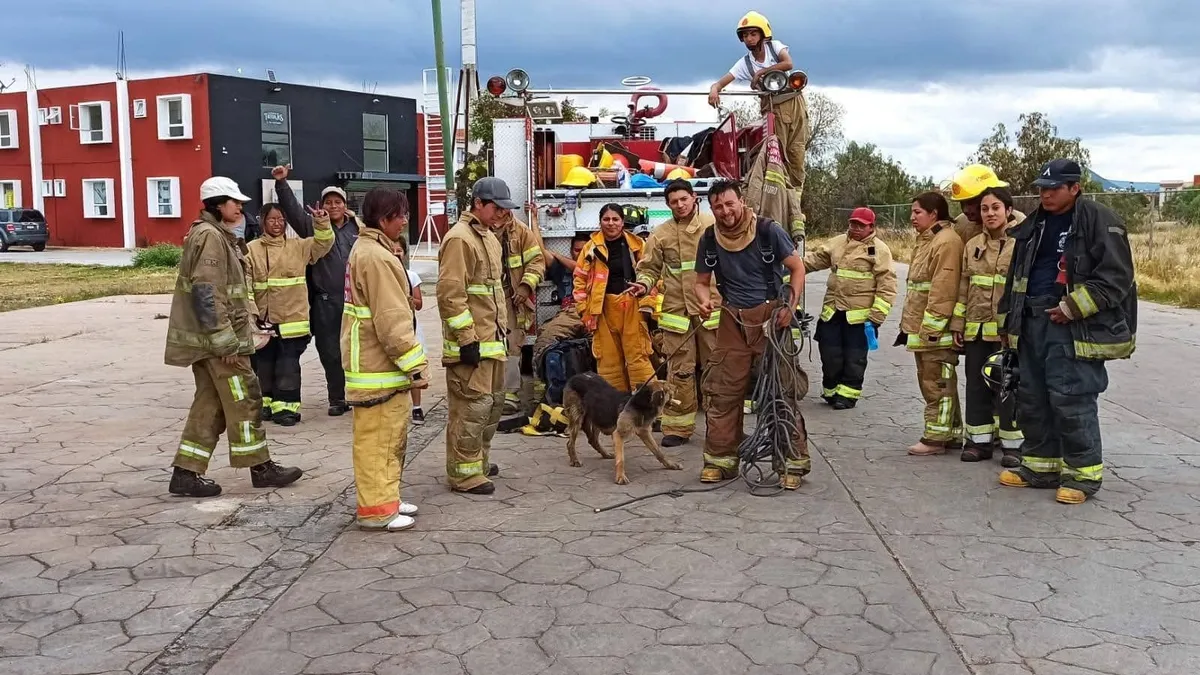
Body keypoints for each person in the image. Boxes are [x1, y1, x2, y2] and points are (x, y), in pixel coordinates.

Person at [998, 159, 1137, 504]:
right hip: (1032, 322)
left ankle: (1082, 475)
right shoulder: (1035, 225)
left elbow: (1116, 278)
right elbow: (1015, 278)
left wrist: (1071, 307)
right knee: (1032, 397)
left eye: (1053, 188)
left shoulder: (1099, 220)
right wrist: (1008, 324)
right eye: (1041, 188)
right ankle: (1039, 467)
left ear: (1075, 188)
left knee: (1071, 399)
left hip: (1073, 327)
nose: (1045, 194)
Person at [164, 176, 303, 498]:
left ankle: (186, 473)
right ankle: (261, 467)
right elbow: (207, 293)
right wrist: (225, 340)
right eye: (234, 201)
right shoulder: (211, 237)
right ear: (217, 204)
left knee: (210, 406)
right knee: (245, 398)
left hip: (214, 342)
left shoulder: (215, 235)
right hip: (220, 344)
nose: (240, 206)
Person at [693, 179, 810, 489]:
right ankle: (720, 460)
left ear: (741, 201)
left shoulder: (769, 231)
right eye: (718, 206)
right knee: (723, 392)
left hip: (772, 318)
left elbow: (797, 269)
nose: (724, 211)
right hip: (732, 319)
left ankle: (791, 463)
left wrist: (790, 307)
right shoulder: (709, 237)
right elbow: (701, 281)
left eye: (729, 204)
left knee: (779, 392)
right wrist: (704, 300)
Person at [341, 187, 429, 531]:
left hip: (377, 367)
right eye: (401, 215)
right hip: (378, 368)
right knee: (378, 443)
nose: (405, 221)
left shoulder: (371, 250)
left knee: (390, 439)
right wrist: (416, 366)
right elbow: (392, 320)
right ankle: (377, 510)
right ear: (383, 219)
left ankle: (387, 498)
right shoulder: (376, 257)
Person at [437, 177, 514, 495]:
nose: (501, 215)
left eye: (504, 210)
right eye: (496, 208)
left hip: (491, 344)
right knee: (471, 410)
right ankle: (463, 474)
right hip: (472, 346)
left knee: (491, 407)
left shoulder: (488, 237)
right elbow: (450, 295)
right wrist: (467, 339)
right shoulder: (460, 239)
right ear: (478, 204)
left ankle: (477, 463)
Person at [628, 179, 719, 447]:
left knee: (717, 369)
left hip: (710, 309)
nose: (679, 205)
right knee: (679, 371)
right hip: (676, 314)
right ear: (667, 205)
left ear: (693, 198)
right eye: (673, 202)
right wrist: (643, 284)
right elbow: (649, 268)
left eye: (683, 199)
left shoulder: (712, 226)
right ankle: (677, 428)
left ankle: (722, 427)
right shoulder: (661, 234)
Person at [271, 164, 363, 417]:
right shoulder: (314, 228)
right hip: (325, 302)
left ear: (345, 205)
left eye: (337, 202)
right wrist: (281, 184)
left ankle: (357, 394)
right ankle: (337, 398)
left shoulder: (359, 229)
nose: (333, 206)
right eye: (328, 202)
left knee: (356, 350)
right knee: (330, 351)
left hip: (355, 300)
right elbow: (293, 211)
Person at [951, 187, 1023, 465]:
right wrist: (958, 323)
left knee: (1009, 385)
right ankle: (978, 442)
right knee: (977, 385)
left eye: (995, 208)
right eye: (984, 209)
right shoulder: (972, 245)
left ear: (1008, 210)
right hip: (976, 328)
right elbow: (963, 286)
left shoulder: (1022, 243)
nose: (989, 213)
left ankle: (1013, 446)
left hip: (1007, 331)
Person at [246, 202, 335, 426]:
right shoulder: (251, 250)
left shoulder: (299, 246)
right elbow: (245, 284)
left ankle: (286, 409)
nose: (277, 223)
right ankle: (265, 405)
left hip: (292, 321)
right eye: (272, 219)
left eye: (280, 219)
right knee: (264, 365)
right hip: (263, 321)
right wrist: (252, 315)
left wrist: (322, 221)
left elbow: (324, 243)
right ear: (262, 222)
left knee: (287, 365)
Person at [803, 207, 897, 409]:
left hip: (859, 319)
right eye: (852, 223)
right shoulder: (837, 243)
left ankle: (847, 396)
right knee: (829, 353)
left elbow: (887, 285)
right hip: (833, 312)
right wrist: (790, 266)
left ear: (871, 227)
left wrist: (877, 316)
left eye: (860, 225)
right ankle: (830, 390)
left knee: (854, 358)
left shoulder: (880, 250)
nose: (855, 228)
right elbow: (815, 260)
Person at [708, 11, 809, 197]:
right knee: (778, 154)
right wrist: (714, 89)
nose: (749, 38)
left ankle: (796, 202)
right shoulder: (745, 63)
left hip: (794, 102)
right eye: (745, 35)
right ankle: (781, 199)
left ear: (763, 34)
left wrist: (761, 73)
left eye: (753, 34)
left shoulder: (775, 47)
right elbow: (722, 82)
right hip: (773, 107)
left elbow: (788, 63)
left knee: (797, 152)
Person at [899, 191, 965, 456]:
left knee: (936, 384)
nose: (912, 217)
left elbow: (943, 290)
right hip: (923, 328)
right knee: (937, 381)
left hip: (935, 333)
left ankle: (936, 438)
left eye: (917, 212)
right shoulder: (928, 239)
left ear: (934, 214)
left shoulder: (945, 241)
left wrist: (932, 330)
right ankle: (950, 432)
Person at [573, 203, 657, 393]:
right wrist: (584, 311)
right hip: (602, 310)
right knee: (608, 363)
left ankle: (650, 404)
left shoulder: (637, 246)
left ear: (622, 222)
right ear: (600, 222)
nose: (611, 223)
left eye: (615, 219)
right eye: (606, 219)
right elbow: (579, 280)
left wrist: (649, 305)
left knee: (638, 356)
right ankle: (613, 408)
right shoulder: (590, 248)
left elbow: (653, 275)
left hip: (632, 306)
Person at [497, 210, 546, 416]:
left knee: (512, 343)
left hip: (512, 297)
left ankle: (510, 395)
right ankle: (489, 394)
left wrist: (526, 285)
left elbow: (537, 261)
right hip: (484, 300)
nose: (502, 213)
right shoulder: (477, 231)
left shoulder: (520, 231)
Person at [947, 164, 1024, 245]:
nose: (966, 210)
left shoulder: (1020, 223)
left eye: (971, 202)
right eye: (962, 203)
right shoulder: (960, 225)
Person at [404, 260, 427, 424]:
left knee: (414, 369)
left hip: (410, 327)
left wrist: (408, 299)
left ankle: (417, 407)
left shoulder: (411, 276)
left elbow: (419, 304)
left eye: (399, 251)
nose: (396, 254)